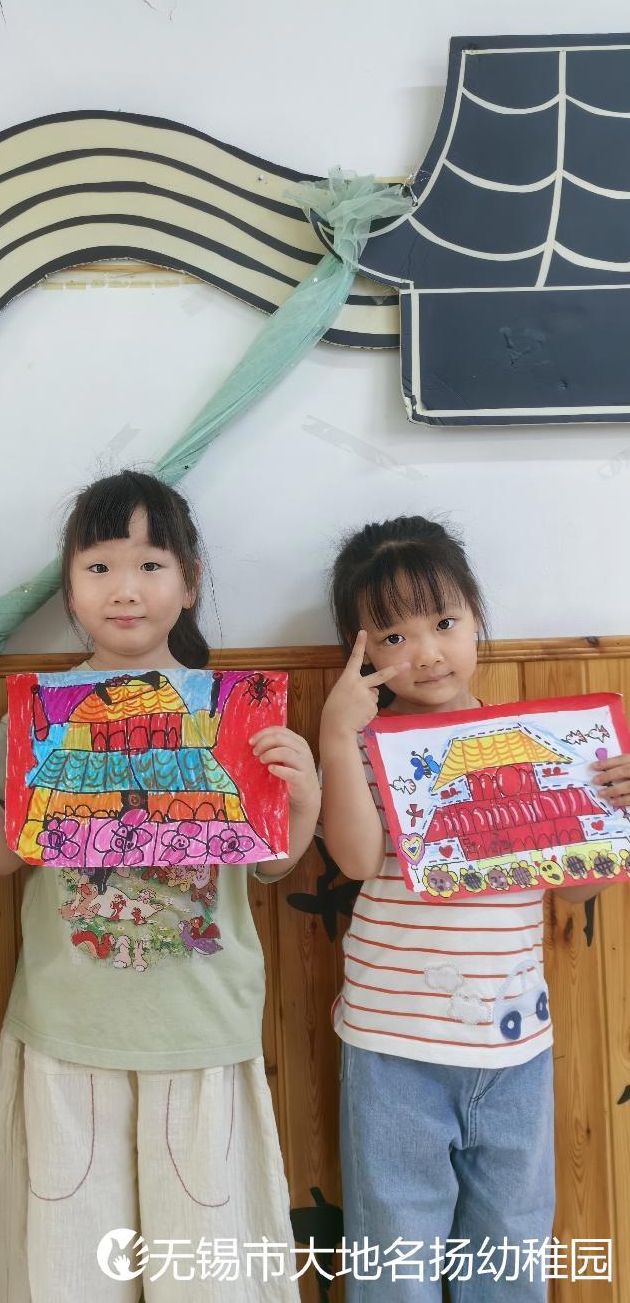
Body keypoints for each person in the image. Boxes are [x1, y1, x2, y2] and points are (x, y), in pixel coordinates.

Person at [0, 470, 320, 1302]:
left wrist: (305, 797)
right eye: (99, 567)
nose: (125, 589)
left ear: (189, 581)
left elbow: (273, 864)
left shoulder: (235, 715)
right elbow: (3, 857)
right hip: (68, 1034)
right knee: (69, 1271)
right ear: (69, 588)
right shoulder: (40, 717)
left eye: (149, 565)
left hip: (202, 1034)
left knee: (208, 1275)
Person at [319, 515, 617, 1302]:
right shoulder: (364, 746)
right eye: (394, 636)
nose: (425, 652)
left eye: (444, 622)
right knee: (394, 1258)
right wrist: (337, 734)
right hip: (393, 1045)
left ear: (476, 619)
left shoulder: (540, 746)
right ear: (360, 651)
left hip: (516, 1045)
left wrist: (613, 821)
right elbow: (355, 860)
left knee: (511, 1252)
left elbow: (574, 888)